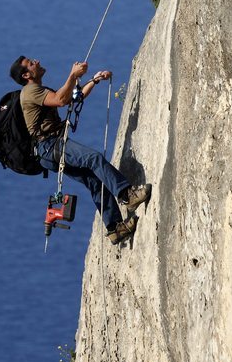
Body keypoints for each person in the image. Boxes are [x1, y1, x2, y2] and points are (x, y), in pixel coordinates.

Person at [9, 56, 151, 245]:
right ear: (26, 74)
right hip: (50, 146)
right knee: (93, 159)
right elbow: (60, 100)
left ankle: (115, 228)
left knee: (94, 181)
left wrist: (93, 80)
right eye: (31, 63)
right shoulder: (30, 91)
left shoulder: (39, 90)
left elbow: (72, 98)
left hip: (46, 151)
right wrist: (72, 75)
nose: (37, 61)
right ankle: (128, 195)